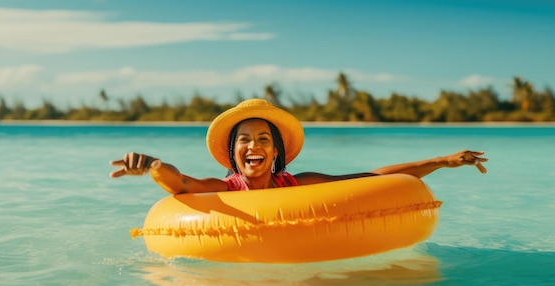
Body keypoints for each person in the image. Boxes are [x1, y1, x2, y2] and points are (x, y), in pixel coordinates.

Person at [110, 98, 488, 194]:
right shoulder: (227, 190)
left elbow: (371, 176)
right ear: (233, 153)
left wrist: (442, 160)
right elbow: (183, 185)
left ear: (276, 152)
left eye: (263, 140)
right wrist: (152, 165)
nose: (253, 146)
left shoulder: (298, 183)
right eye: (244, 140)